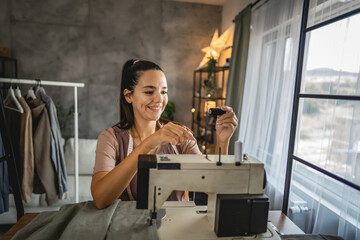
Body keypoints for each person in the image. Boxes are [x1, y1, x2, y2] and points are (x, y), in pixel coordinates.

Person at [91, 59, 238, 209]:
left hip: (174, 226)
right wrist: (148, 144)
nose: (159, 99)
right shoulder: (110, 138)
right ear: (128, 96)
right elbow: (100, 198)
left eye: (163, 91)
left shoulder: (181, 136)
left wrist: (222, 142)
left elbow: (212, 187)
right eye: (149, 92)